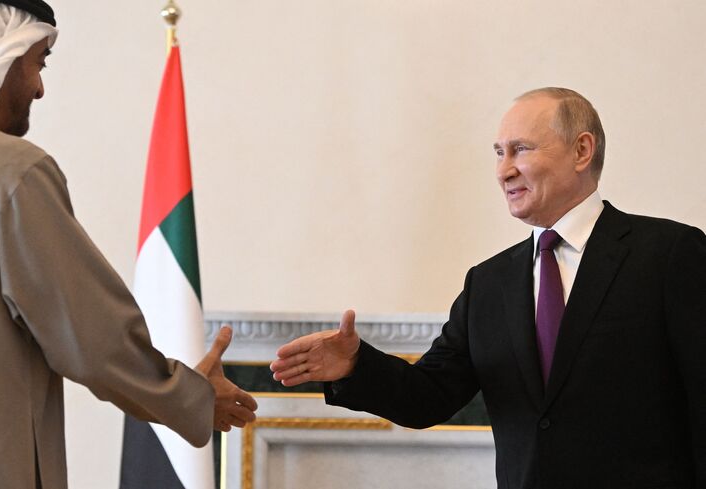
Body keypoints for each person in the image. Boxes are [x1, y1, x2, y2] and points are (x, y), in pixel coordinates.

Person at [0, 1, 256, 488]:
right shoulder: (11, 174)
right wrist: (191, 396)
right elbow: (94, 337)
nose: (39, 86)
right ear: (0, 57)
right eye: (37, 62)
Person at [271, 87, 705, 488]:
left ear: (582, 150)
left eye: (520, 149)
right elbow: (428, 396)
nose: (503, 170)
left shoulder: (669, 255)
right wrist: (355, 365)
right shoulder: (489, 283)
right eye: (498, 153)